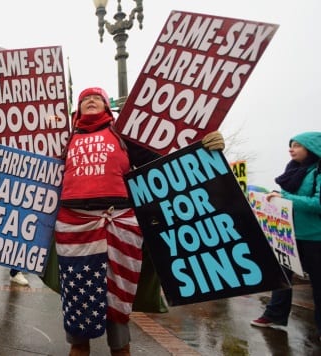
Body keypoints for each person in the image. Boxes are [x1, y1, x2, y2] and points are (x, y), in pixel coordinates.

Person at [54, 87, 224, 355]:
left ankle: (119, 344)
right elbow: (36, 167)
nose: (90, 100)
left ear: (107, 107)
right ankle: (78, 343)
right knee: (77, 296)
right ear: (77, 109)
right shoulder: (65, 139)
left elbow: (164, 162)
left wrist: (203, 147)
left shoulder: (123, 136)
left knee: (118, 299)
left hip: (121, 222)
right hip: (73, 225)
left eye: (96, 97)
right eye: (85, 98)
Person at [250, 131, 321, 341]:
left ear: (312, 148)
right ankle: (274, 315)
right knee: (281, 278)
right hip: (288, 235)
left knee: (318, 284)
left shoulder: (318, 172)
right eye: (290, 145)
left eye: (297, 145)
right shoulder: (292, 171)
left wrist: (285, 198)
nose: (291, 149)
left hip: (315, 239)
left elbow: (318, 204)